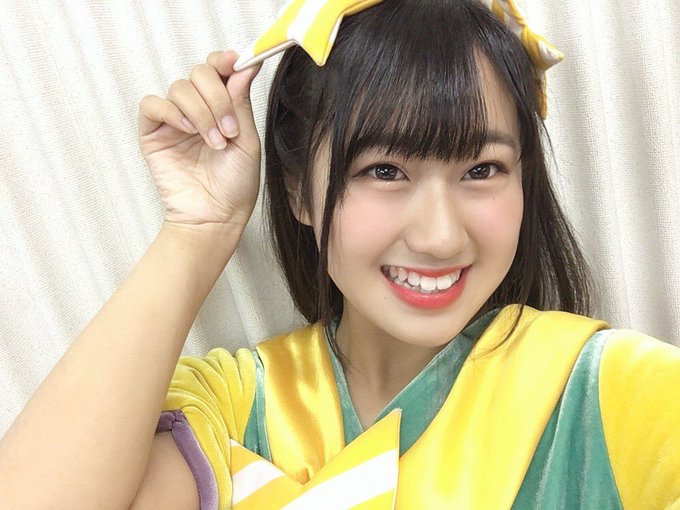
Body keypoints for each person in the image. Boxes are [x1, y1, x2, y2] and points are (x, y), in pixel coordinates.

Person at [0, 0, 678, 508]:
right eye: (384, 171)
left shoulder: (614, 391)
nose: (441, 236)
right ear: (299, 191)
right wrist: (199, 227)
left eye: (482, 170)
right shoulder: (236, 405)